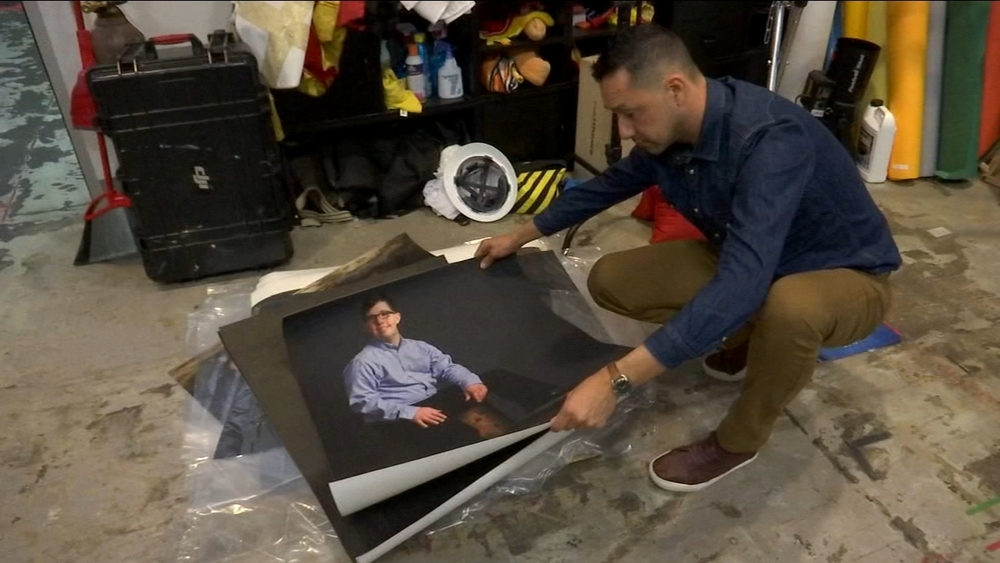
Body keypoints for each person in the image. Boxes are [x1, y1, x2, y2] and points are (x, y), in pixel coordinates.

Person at [474, 24, 902, 493]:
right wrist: (520, 236)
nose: (625, 131)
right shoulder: (672, 130)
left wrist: (616, 380)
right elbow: (609, 186)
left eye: (630, 113)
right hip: (755, 257)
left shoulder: (769, 142)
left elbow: (743, 279)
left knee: (792, 308)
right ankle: (751, 333)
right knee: (613, 278)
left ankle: (738, 442)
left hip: (844, 274)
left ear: (675, 89)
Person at [343, 294, 490, 428]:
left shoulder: (420, 347)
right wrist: (411, 412)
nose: (379, 320)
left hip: (433, 402)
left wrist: (469, 381)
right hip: (400, 419)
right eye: (372, 318)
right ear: (366, 326)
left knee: (492, 379)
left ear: (397, 318)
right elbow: (363, 402)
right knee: (461, 428)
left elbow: (447, 368)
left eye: (384, 314)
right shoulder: (362, 363)